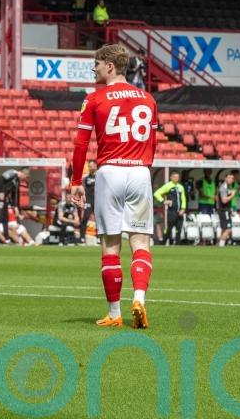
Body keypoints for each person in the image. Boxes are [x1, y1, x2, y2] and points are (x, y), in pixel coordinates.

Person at [70, 43, 158, 330]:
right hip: (140, 172)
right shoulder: (147, 98)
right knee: (141, 243)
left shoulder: (94, 99)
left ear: (110, 65)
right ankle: (140, 299)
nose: (93, 69)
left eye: (96, 64)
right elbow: (153, 144)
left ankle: (114, 312)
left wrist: (76, 181)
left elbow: (81, 143)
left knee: (110, 245)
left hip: (110, 171)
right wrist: (142, 167)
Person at [0, 169, 29, 244]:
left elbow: (13, 193)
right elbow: (1, 178)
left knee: (5, 218)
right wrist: (1, 192)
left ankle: (7, 239)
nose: (24, 179)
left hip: (5, 198)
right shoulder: (13, 173)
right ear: (23, 173)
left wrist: (14, 206)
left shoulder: (17, 181)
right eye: (25, 176)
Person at [153, 170, 186, 246]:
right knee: (169, 228)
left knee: (179, 228)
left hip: (180, 211)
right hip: (172, 211)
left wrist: (183, 208)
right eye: (175, 177)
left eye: (177, 177)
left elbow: (183, 198)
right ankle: (164, 242)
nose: (176, 178)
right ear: (171, 177)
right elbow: (156, 193)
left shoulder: (180, 187)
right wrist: (163, 201)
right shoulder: (168, 186)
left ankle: (177, 243)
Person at [217, 173, 237, 247]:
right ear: (225, 178)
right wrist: (232, 195)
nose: (231, 180)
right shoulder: (223, 188)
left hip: (226, 210)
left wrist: (230, 210)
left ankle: (219, 244)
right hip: (223, 210)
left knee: (224, 229)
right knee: (228, 229)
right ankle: (221, 246)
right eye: (229, 178)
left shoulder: (227, 187)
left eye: (232, 178)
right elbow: (224, 201)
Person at [79, 161, 97, 242]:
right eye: (89, 166)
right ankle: (82, 237)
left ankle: (99, 238)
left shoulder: (100, 176)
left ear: (96, 166)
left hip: (98, 201)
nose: (90, 167)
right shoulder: (86, 178)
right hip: (89, 201)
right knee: (85, 218)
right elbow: (83, 189)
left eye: (92, 166)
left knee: (99, 220)